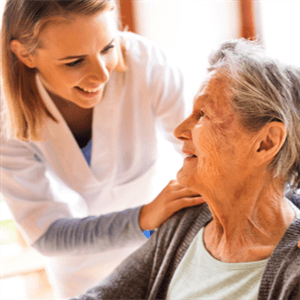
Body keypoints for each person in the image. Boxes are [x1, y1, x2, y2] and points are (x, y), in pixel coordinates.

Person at [0, 0, 204, 297]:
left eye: (107, 47)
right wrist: (142, 218)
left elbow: (207, 151)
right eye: (74, 62)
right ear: (25, 54)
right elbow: (47, 234)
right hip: (81, 274)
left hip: (164, 255)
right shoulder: (6, 118)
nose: (102, 74)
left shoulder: (146, 64)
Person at [69, 39, 300, 300]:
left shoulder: (294, 269)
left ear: (265, 143)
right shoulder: (185, 221)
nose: (180, 131)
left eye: (203, 114)